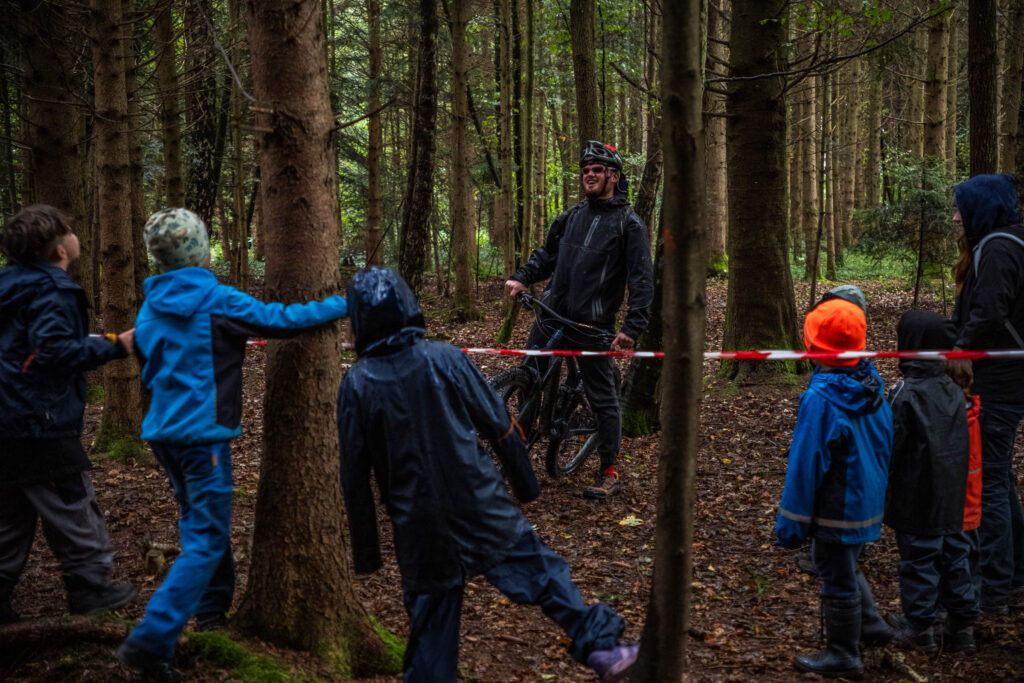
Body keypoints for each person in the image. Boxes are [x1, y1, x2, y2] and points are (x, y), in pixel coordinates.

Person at [338, 266, 639, 683]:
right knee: (542, 573)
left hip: (419, 518)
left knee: (431, 623)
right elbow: (500, 424)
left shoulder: (357, 383)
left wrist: (367, 553)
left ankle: (601, 648)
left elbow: (353, 475)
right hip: (476, 499)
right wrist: (525, 486)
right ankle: (600, 646)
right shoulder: (441, 358)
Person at [115, 208, 350, 682]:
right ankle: (150, 639)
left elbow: (147, 355)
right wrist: (342, 305)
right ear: (201, 250)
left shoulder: (150, 305)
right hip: (201, 440)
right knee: (205, 539)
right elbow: (280, 319)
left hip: (164, 435)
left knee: (200, 527)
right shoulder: (216, 299)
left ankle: (212, 614)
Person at [0, 204, 137, 624]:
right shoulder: (54, 290)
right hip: (39, 422)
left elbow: (23, 347)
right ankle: (92, 590)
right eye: (71, 231)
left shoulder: (8, 284)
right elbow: (51, 353)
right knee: (75, 507)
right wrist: (118, 344)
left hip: (8, 420)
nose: (77, 237)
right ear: (60, 249)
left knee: (9, 514)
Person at [504, 140, 653, 499]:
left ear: (613, 177)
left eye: (597, 170)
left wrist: (632, 328)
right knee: (527, 379)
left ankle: (608, 471)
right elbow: (547, 255)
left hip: (592, 326)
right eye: (586, 170)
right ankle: (514, 456)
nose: (589, 175)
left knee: (603, 399)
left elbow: (642, 280)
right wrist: (523, 276)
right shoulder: (570, 217)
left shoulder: (628, 225)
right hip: (552, 315)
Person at [776, 298, 893, 678]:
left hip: (837, 504)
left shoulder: (820, 399)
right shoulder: (873, 383)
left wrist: (791, 523)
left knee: (835, 571)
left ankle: (843, 653)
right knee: (845, 563)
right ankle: (872, 626)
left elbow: (805, 465)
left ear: (812, 348)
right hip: (866, 498)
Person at [948, 173, 1024, 616]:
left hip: (1000, 378)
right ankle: (1013, 572)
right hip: (1009, 374)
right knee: (999, 476)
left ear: (982, 206)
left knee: (991, 478)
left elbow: (990, 310)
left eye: (962, 206)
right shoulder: (1008, 240)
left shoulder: (998, 246)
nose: (957, 216)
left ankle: (994, 584)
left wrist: (961, 351)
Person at [884, 311, 977, 654]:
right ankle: (961, 624)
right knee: (955, 553)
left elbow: (890, 444)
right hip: (950, 493)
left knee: (921, 558)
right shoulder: (954, 390)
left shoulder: (905, 392)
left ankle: (922, 627)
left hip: (916, 495)